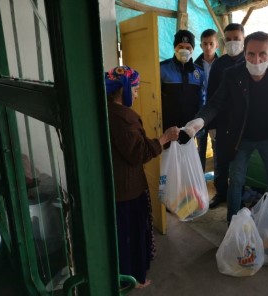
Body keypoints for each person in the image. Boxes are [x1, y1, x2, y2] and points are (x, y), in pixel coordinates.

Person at [184, 31, 268, 223]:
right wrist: (200, 121)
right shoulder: (232, 74)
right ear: (244, 52)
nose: (256, 60)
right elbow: (215, 103)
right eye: (251, 54)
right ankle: (233, 223)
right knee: (236, 179)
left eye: (262, 54)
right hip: (241, 136)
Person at [105, 65, 179, 288]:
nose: (137, 94)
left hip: (116, 184)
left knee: (122, 234)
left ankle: (124, 276)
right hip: (127, 189)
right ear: (123, 90)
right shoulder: (124, 119)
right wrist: (164, 139)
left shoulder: (107, 110)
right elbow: (139, 154)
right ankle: (133, 279)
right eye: (135, 89)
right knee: (131, 235)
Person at [205, 23, 246, 209]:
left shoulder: (249, 62)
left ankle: (239, 193)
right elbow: (211, 95)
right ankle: (221, 192)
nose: (232, 43)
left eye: (236, 39)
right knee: (220, 161)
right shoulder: (219, 64)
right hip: (221, 122)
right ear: (223, 41)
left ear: (244, 40)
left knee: (241, 161)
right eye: (228, 39)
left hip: (244, 123)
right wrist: (211, 124)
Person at [160, 29, 204, 141]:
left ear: (193, 49)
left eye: (188, 47)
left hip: (189, 128)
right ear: (174, 47)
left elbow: (201, 99)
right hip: (167, 128)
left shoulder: (199, 72)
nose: (184, 50)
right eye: (180, 46)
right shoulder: (162, 69)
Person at [194, 28, 219, 172]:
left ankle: (217, 184)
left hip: (217, 115)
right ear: (200, 45)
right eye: (205, 43)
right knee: (200, 149)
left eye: (211, 43)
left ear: (216, 45)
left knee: (217, 150)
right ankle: (199, 184)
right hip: (200, 113)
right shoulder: (194, 65)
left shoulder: (223, 64)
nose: (208, 47)